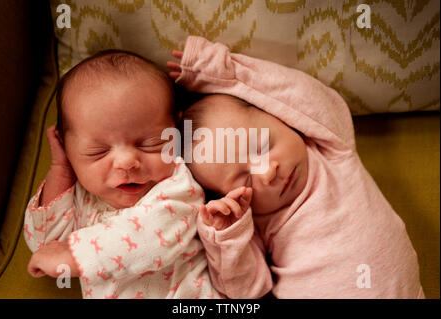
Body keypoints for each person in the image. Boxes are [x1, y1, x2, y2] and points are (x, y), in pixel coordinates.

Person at [167, 36, 424, 298]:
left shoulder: (332, 147)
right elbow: (248, 291)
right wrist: (228, 236)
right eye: (246, 182)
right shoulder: (256, 222)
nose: (268, 172)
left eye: (263, 145)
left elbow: (293, 92)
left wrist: (228, 73)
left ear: (281, 116)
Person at [24, 50, 221, 299]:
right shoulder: (83, 196)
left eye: (149, 143)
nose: (127, 162)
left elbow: (152, 240)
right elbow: (44, 244)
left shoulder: (178, 188)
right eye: (98, 151)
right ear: (67, 148)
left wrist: (77, 255)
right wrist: (61, 172)